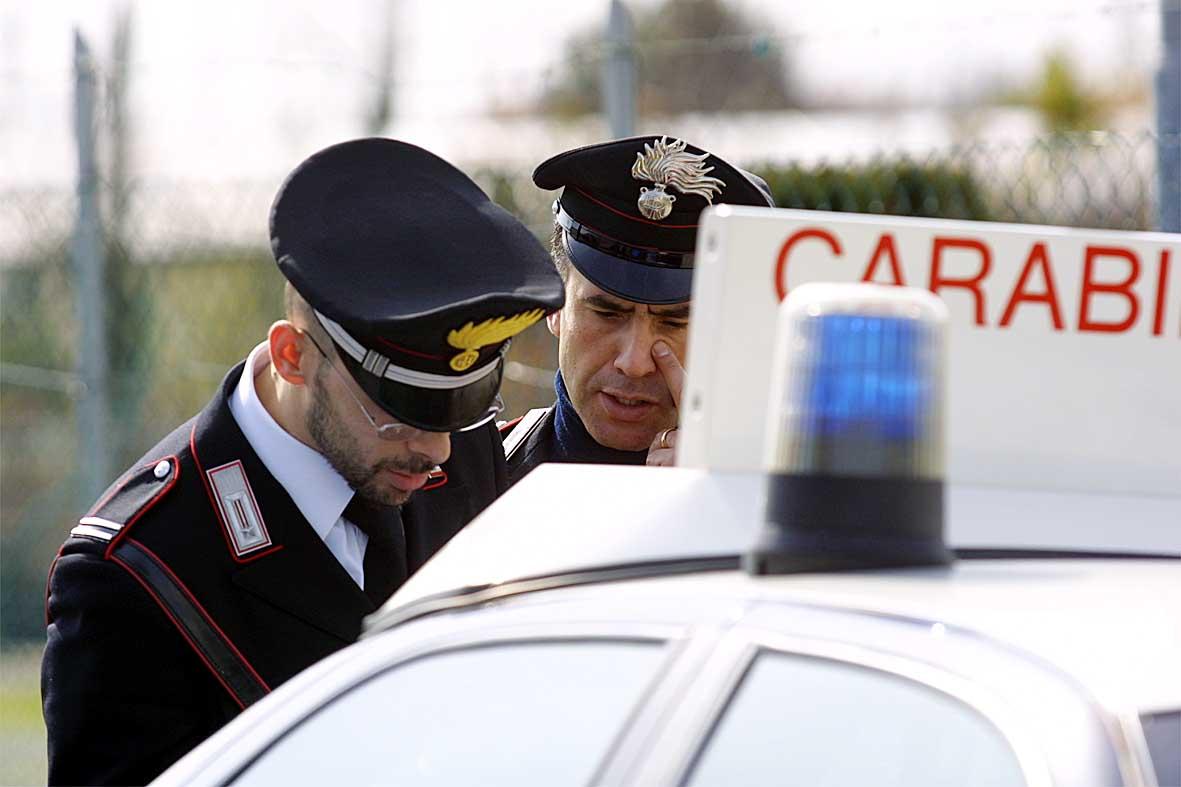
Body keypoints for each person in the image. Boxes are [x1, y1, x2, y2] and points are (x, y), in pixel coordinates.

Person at [41, 138, 564, 786]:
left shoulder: (455, 445)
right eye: (396, 413)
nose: (436, 452)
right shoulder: (140, 566)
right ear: (293, 355)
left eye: (455, 411)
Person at [501, 135, 774, 481]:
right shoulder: (461, 487)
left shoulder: (776, 503)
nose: (634, 363)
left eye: (674, 322)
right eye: (607, 314)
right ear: (555, 302)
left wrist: (718, 508)